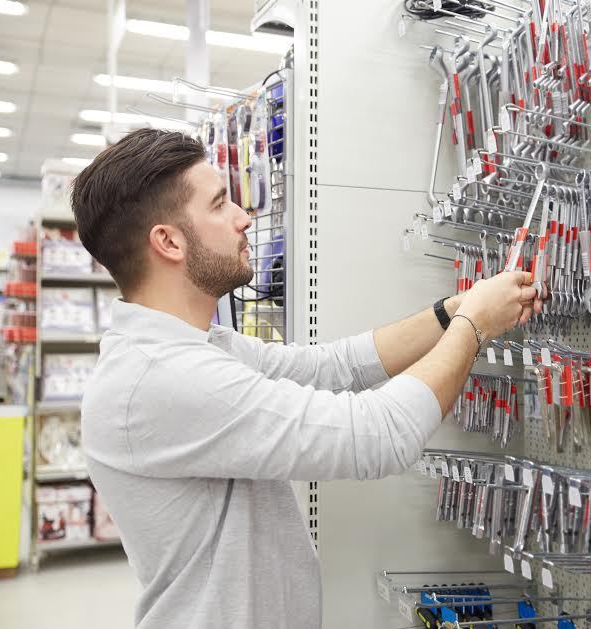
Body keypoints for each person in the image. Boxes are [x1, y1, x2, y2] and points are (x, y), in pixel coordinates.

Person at [72, 128, 542, 629]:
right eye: (219, 204)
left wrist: (453, 311)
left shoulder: (197, 347)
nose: (243, 217)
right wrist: (475, 325)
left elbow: (334, 368)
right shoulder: (163, 378)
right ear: (168, 241)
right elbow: (382, 434)